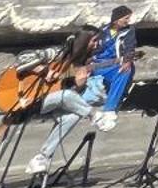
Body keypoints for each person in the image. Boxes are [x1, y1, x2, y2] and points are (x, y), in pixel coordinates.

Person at [25, 30, 116, 176]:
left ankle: (42, 157)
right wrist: (45, 71)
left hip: (53, 103)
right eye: (94, 40)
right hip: (31, 99)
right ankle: (94, 116)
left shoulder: (82, 65)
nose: (96, 44)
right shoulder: (57, 54)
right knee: (66, 95)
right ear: (83, 41)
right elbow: (22, 57)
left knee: (73, 115)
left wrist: (78, 85)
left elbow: (66, 90)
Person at [90, 4, 137, 114]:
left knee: (126, 70)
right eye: (126, 18)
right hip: (99, 65)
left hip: (115, 64)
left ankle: (110, 108)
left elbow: (130, 47)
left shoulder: (129, 30)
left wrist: (127, 61)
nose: (128, 21)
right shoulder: (102, 31)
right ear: (117, 19)